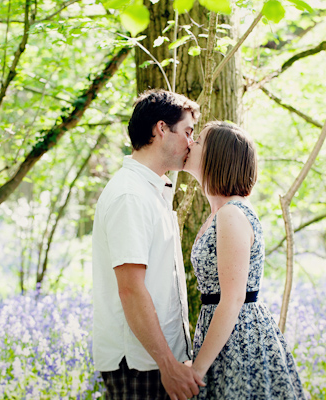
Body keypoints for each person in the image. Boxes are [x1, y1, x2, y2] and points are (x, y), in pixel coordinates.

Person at [92, 89, 205, 400]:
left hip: (157, 360)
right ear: (161, 129)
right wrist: (167, 363)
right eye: (187, 132)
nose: (191, 143)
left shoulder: (150, 190)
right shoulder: (131, 196)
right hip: (140, 364)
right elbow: (130, 288)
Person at [182, 121, 306, 399]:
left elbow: (233, 298)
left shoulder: (231, 214)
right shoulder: (222, 212)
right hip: (225, 336)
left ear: (217, 155)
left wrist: (197, 370)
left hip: (238, 342)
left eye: (198, 140)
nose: (190, 143)